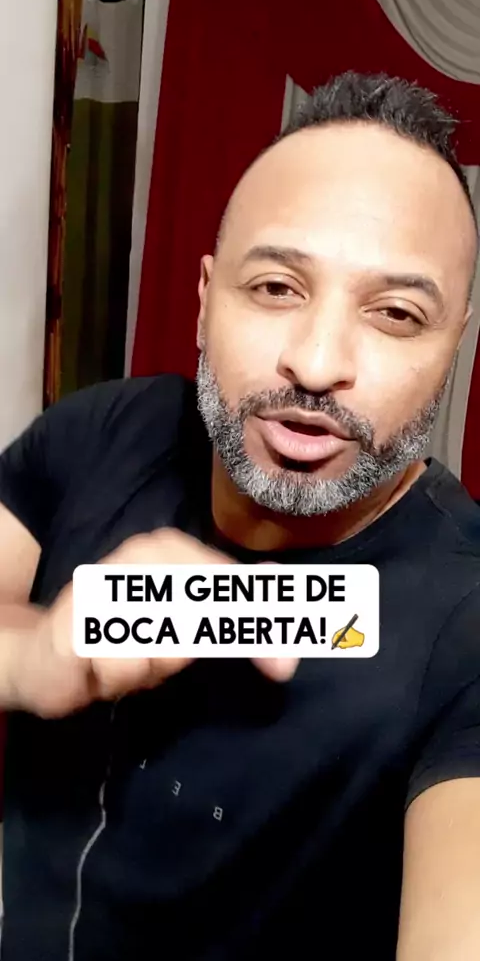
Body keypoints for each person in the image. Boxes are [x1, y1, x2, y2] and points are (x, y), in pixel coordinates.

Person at [0, 71, 479, 961]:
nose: (317, 363)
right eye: (276, 288)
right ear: (204, 301)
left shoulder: (468, 621)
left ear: (452, 348)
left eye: (396, 313)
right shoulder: (107, 428)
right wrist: (32, 657)